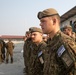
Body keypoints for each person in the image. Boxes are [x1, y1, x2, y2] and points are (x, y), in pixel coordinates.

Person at [37, 8, 76, 75]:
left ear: (54, 21)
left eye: (43, 21)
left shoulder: (64, 42)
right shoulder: (50, 43)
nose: (40, 24)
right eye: (40, 22)